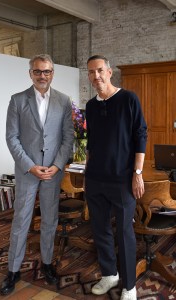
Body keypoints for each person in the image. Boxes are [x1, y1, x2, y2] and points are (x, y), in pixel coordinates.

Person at [0, 54, 74, 295]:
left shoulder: (63, 101)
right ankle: (13, 271)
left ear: (53, 73)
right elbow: (12, 138)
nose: (43, 76)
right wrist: (30, 166)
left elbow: (67, 137)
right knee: (21, 221)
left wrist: (58, 164)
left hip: (53, 172)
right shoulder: (17, 100)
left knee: (50, 220)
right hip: (28, 172)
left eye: (47, 71)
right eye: (38, 71)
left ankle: (48, 264)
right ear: (30, 73)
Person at [84, 55, 147, 300]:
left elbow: (140, 135)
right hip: (96, 179)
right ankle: (109, 274)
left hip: (122, 179)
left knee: (124, 232)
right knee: (99, 229)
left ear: (109, 72)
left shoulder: (128, 99)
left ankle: (130, 285)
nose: (96, 76)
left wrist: (137, 173)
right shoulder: (90, 105)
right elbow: (92, 143)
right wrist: (88, 172)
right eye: (91, 72)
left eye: (99, 70)